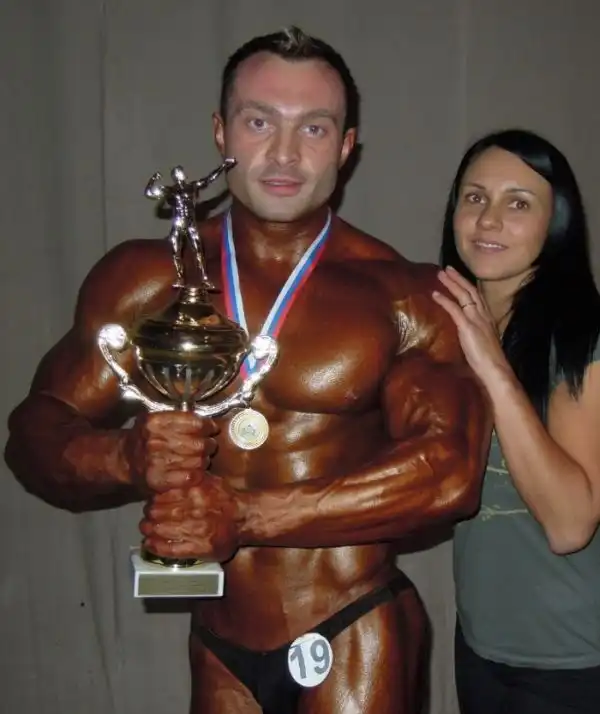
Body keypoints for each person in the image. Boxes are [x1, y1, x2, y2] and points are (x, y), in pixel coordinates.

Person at [5, 26, 490, 714]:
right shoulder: (142, 278)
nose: (285, 153)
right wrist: (121, 456)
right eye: (260, 122)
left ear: (346, 146)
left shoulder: (403, 294)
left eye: (314, 128)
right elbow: (33, 433)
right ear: (220, 131)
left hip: (351, 624)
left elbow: (450, 473)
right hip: (218, 640)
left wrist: (246, 515)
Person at [433, 128, 600, 714]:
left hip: (572, 661)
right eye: (475, 197)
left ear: (556, 223)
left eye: (519, 203)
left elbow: (570, 525)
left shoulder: (583, 339)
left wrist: (492, 365)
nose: (489, 219)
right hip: (482, 643)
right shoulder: (452, 330)